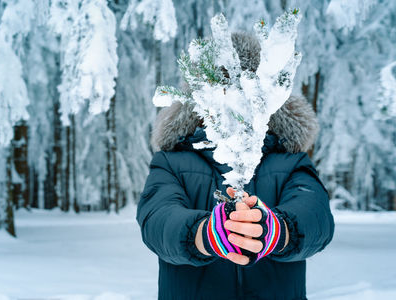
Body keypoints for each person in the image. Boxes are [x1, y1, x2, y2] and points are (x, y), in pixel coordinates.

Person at [137, 32, 335, 300]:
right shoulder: (172, 159)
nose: (232, 100)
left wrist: (276, 231)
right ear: (200, 96)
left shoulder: (287, 157)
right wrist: (205, 235)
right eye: (221, 87)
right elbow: (157, 220)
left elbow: (315, 215)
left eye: (243, 88)